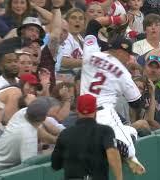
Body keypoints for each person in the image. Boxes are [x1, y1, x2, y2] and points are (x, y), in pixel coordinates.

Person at [81, 19, 146, 174]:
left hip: (84, 113)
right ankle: (130, 155)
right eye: (128, 54)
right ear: (120, 51)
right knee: (128, 139)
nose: (129, 58)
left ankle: (117, 146)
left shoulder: (90, 54)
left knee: (129, 131)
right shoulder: (122, 72)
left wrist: (114, 20)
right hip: (105, 112)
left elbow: (92, 25)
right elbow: (137, 102)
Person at [52, 94, 123, 180]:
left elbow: (55, 165)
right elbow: (112, 153)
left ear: (77, 110)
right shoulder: (105, 131)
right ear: (95, 110)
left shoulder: (65, 133)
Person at [0, 97, 56, 173]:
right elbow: (29, 169)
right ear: (43, 119)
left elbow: (43, 131)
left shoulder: (22, 113)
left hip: (1, 165)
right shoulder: (28, 135)